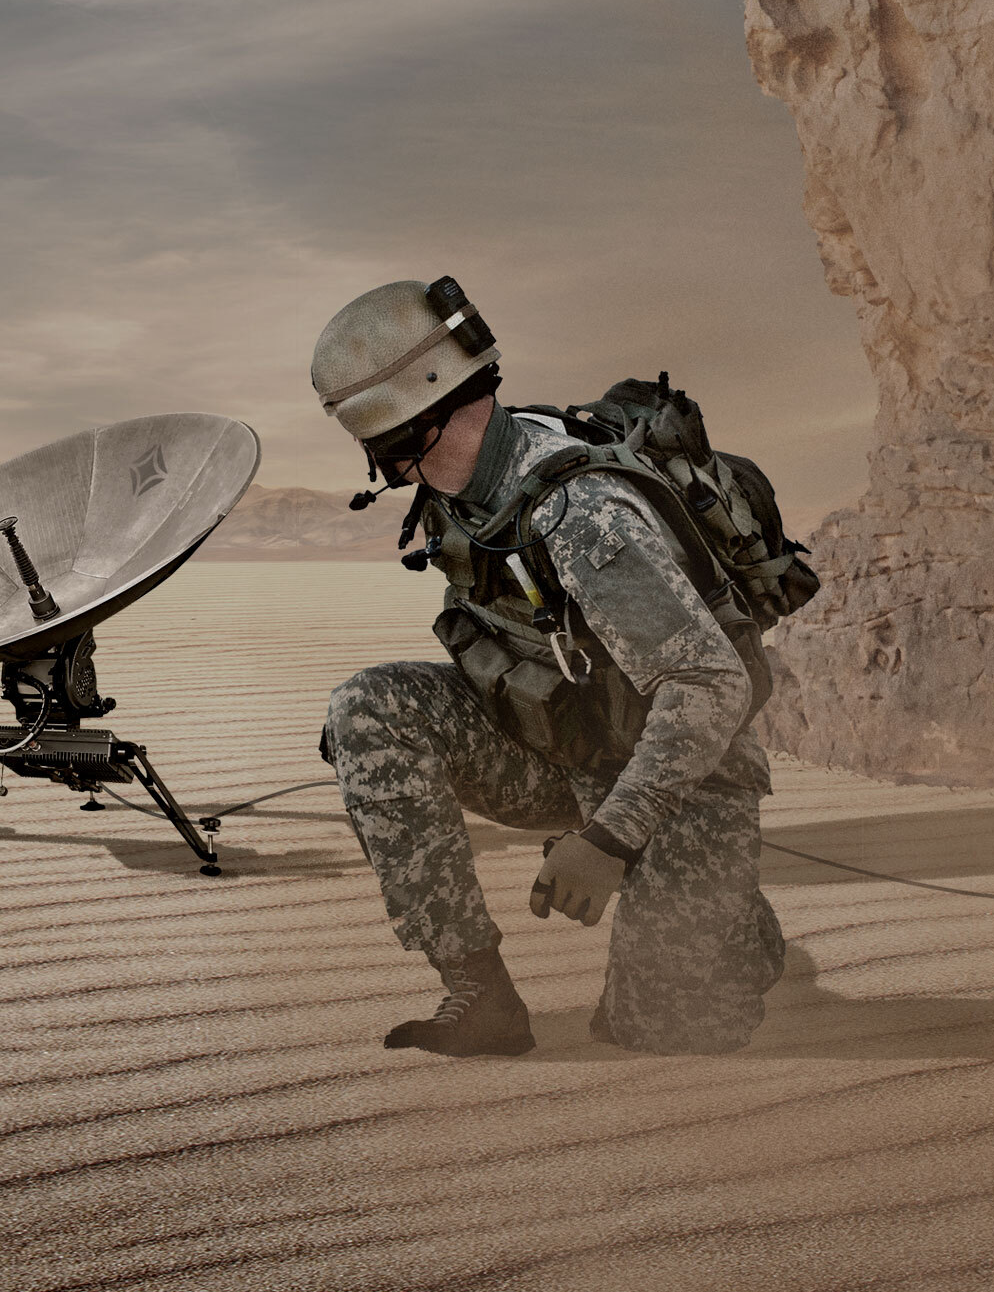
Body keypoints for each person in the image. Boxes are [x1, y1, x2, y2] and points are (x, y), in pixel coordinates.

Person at [310, 278, 786, 1056]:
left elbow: (708, 686)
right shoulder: (463, 482)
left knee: (664, 1032)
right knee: (368, 708)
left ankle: (735, 924)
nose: (393, 476)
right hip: (558, 748)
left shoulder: (583, 510)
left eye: (396, 451)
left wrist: (610, 840)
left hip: (681, 776)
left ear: (443, 409)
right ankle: (480, 995)